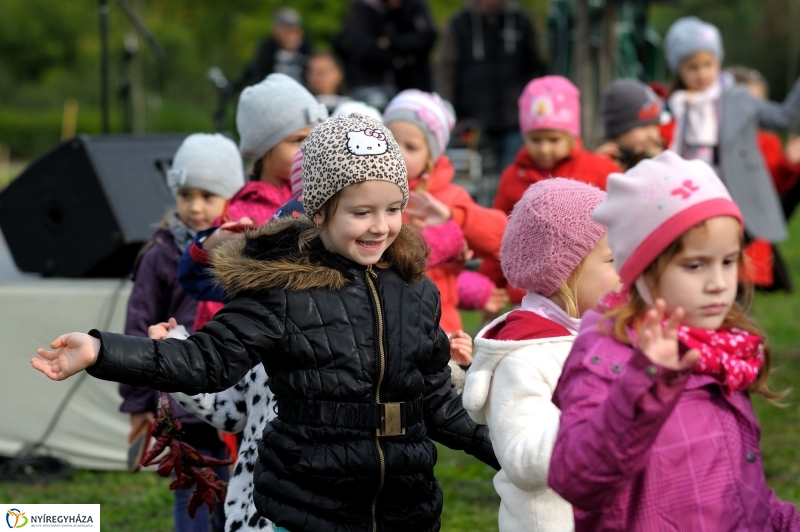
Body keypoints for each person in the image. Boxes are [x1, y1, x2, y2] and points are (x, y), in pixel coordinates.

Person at [33, 114, 498, 532]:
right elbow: (205, 360)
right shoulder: (281, 290)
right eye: (361, 212)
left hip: (406, 511)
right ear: (319, 211)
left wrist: (513, 454)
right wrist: (102, 350)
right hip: (308, 509)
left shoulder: (416, 291)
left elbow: (437, 401)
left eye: (393, 209)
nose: (380, 226)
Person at [547, 151, 800, 530]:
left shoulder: (718, 349)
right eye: (695, 265)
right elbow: (576, 480)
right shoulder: (605, 355)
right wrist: (646, 380)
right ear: (643, 271)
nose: (718, 282)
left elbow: (739, 488)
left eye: (728, 261)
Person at [462, 178, 619, 532]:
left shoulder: (610, 340)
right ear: (565, 272)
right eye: (613, 259)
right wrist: (608, 412)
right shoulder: (525, 357)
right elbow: (522, 460)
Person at [121, 133, 245, 532]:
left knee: (234, 492)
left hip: (232, 397)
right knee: (192, 493)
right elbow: (139, 327)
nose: (194, 206)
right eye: (186, 194)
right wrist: (140, 401)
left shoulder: (246, 253)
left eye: (208, 195)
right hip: (180, 402)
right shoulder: (159, 254)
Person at [179, 73, 328, 329]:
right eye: (298, 140)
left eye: (315, 137)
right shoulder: (241, 214)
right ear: (264, 148)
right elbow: (211, 286)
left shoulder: (322, 199)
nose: (310, 148)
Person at [664, 16, 800, 249]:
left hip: (733, 191)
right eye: (692, 67)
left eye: (708, 64)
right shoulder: (676, 105)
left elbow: (784, 117)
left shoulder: (739, 99)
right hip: (688, 189)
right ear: (680, 70)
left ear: (718, 62)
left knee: (730, 250)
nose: (701, 73)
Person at [485, 75, 620, 304]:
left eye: (553, 139)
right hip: (528, 292)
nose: (544, 149)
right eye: (536, 140)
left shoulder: (598, 169)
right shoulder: (512, 177)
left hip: (586, 284)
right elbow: (502, 235)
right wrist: (491, 284)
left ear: (571, 136)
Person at [383, 89, 509, 333]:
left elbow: (500, 237)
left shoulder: (449, 197)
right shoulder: (371, 190)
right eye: (390, 141)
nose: (397, 152)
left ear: (431, 156)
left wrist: (455, 217)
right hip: (386, 322)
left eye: (411, 147)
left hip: (440, 324)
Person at [435, 0, 546, 171]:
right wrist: (447, 112)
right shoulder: (460, 23)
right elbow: (446, 70)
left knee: (512, 176)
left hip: (515, 120)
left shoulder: (521, 21)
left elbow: (536, 68)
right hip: (472, 120)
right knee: (472, 179)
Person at [333, 0, 437, 108]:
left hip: (412, 86)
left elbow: (427, 38)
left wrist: (391, 42)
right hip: (372, 85)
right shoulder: (365, 7)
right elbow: (357, 46)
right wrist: (399, 55)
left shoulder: (414, 6)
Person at [227, 7, 313, 94]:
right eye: (287, 32)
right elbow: (254, 72)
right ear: (276, 32)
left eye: (295, 32)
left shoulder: (307, 50)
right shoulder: (267, 50)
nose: (292, 37)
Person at [597, 78, 667, 171]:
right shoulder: (602, 163)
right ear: (618, 129)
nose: (653, 135)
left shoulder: (656, 160)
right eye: (644, 127)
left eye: (655, 125)